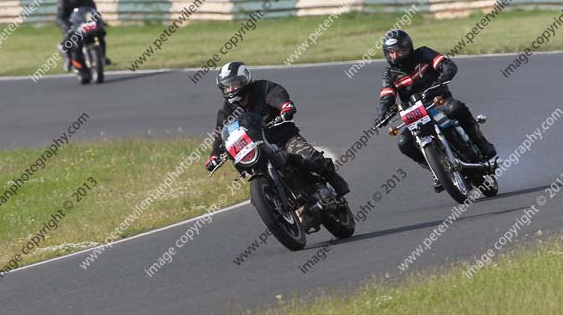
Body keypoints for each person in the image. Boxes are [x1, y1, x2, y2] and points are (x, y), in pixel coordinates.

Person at [205, 62, 351, 198]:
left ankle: (331, 176)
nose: (231, 89)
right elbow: (221, 135)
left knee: (309, 157)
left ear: (245, 80)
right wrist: (214, 155)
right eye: (227, 87)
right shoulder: (226, 111)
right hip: (258, 149)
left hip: (283, 138)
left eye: (234, 84)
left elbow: (277, 95)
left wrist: (285, 106)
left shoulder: (262, 88)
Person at [375, 30, 496, 190]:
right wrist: (382, 112)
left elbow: (447, 65)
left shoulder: (423, 53)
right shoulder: (389, 74)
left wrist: (442, 77)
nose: (395, 56)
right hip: (415, 114)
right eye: (391, 53)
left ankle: (482, 143)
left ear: (408, 47)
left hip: (438, 100)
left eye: (399, 51)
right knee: (404, 143)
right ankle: (436, 170)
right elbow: (386, 97)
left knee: (455, 108)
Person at [56, 0, 110, 71]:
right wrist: (64, 25)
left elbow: (93, 11)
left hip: (85, 23)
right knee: (70, 40)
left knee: (100, 33)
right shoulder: (64, 1)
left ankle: (103, 56)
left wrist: (99, 21)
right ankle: (69, 59)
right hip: (71, 25)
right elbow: (60, 18)